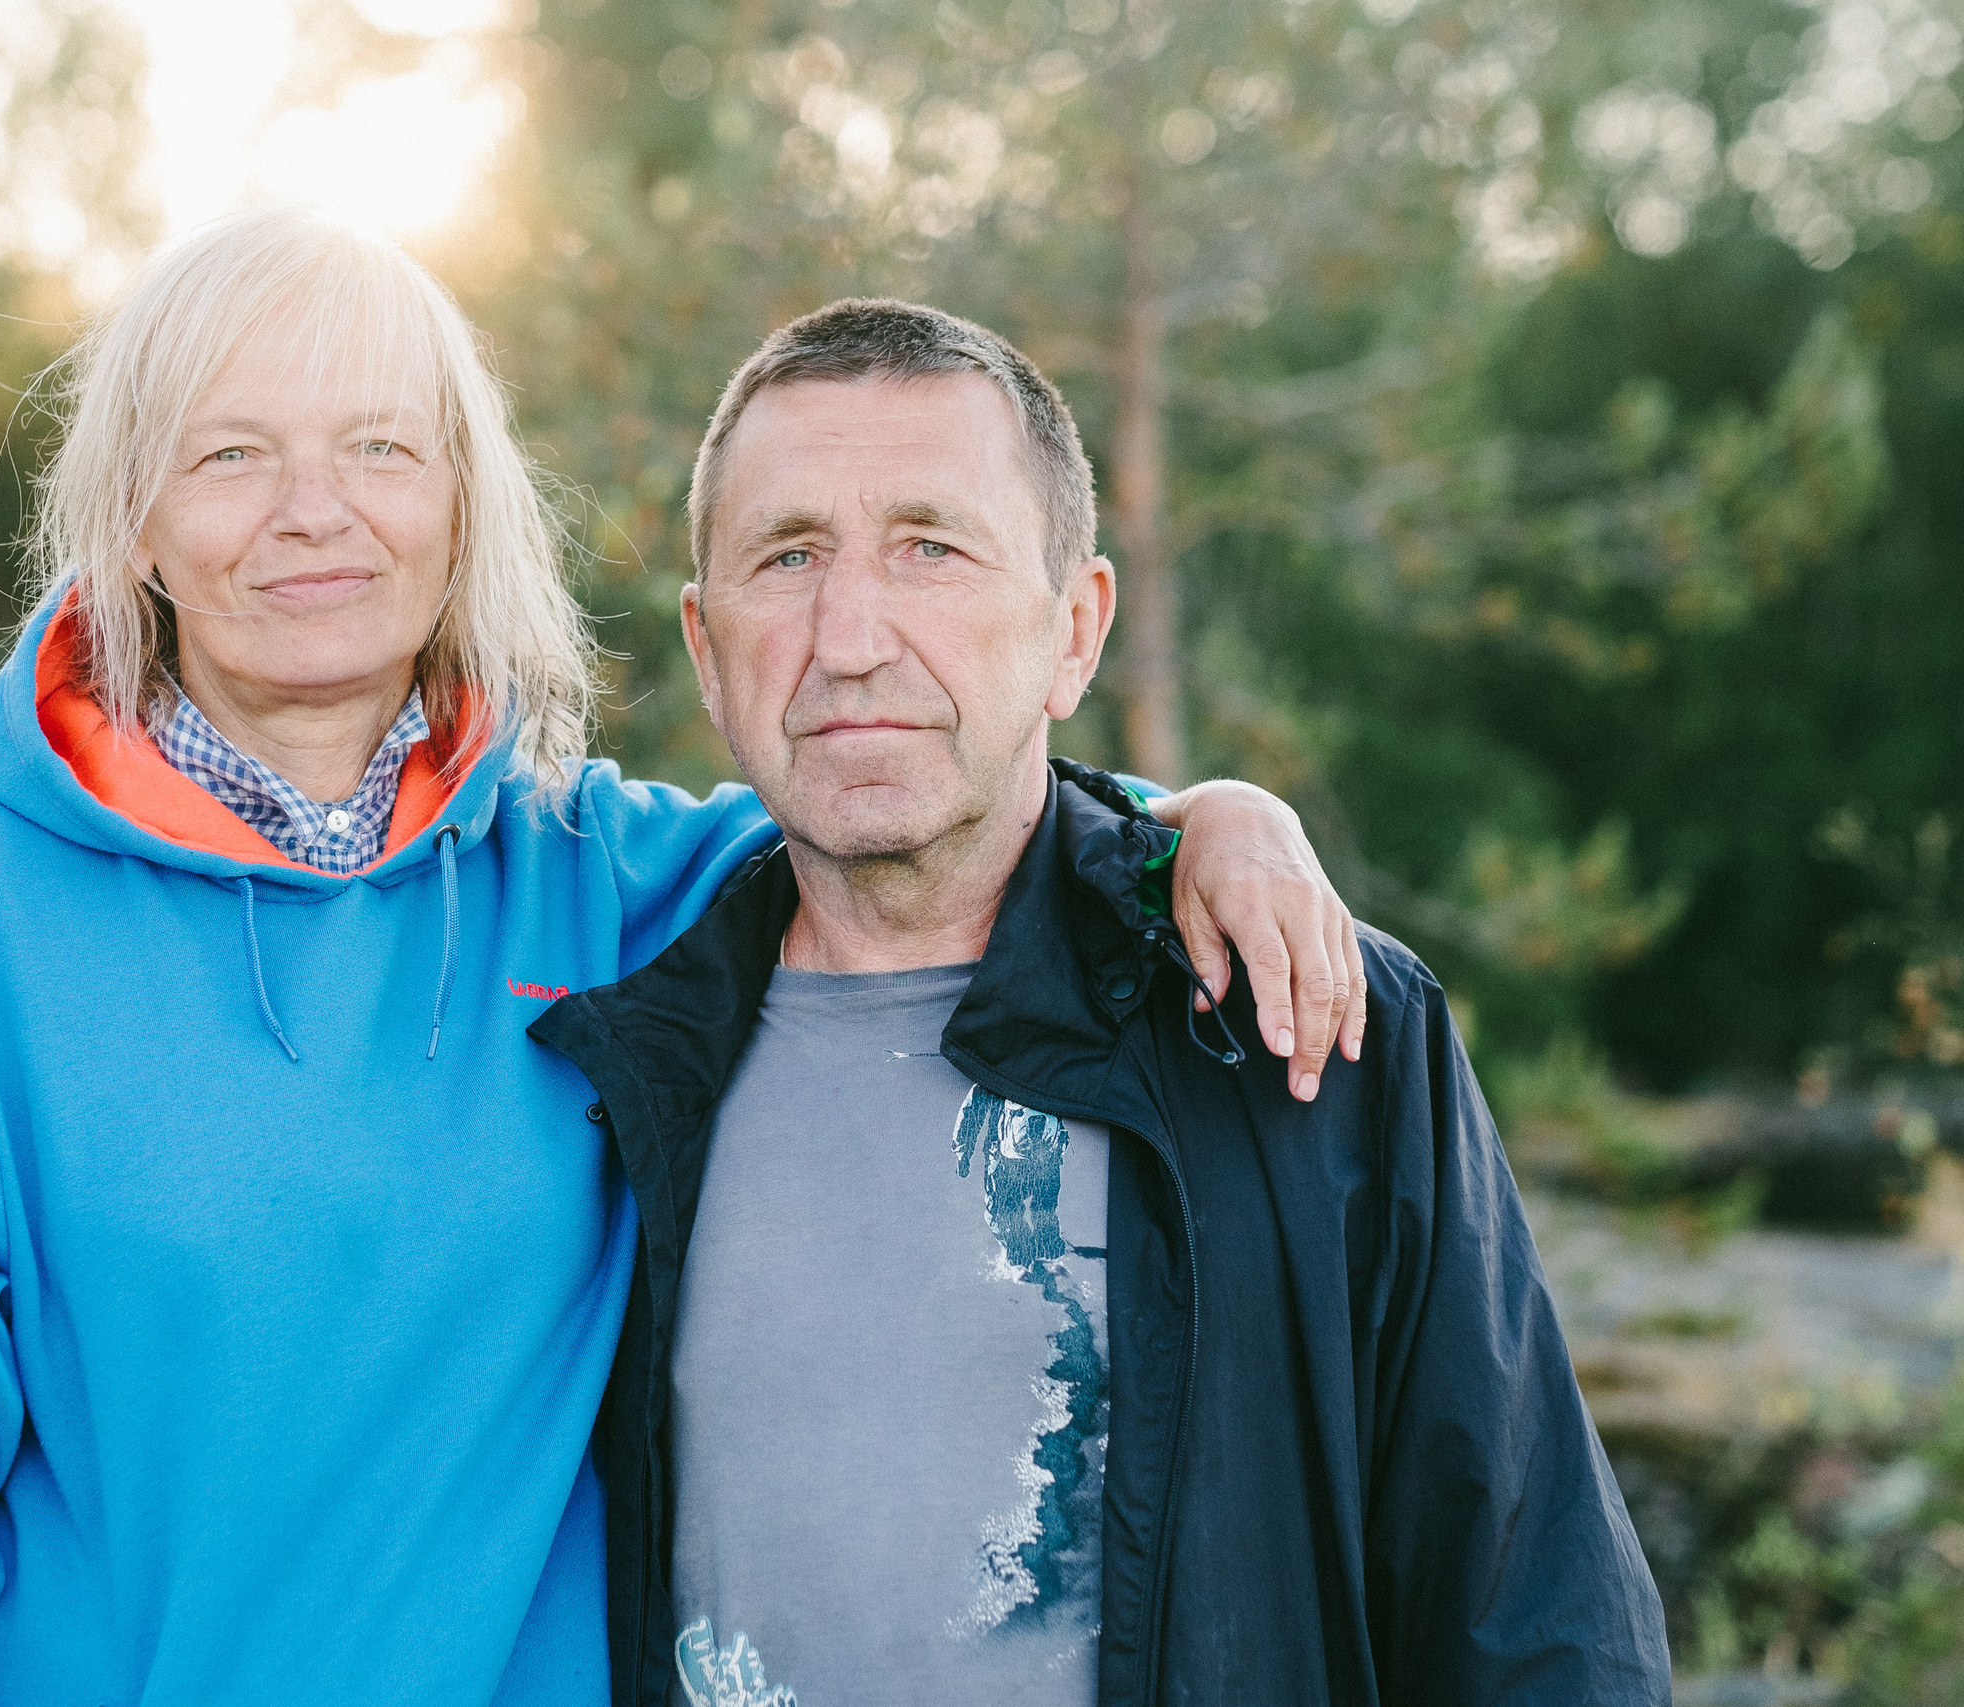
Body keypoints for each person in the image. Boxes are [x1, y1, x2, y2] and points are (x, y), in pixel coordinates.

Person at [0, 209, 1361, 1705]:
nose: (314, 515)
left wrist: (1200, 820)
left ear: (459, 510)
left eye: (379, 447)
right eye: (229, 457)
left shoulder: (595, 881)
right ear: (132, 522)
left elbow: (920, 805)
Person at [532, 298, 1672, 1707]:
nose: (850, 635)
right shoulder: (614, 1063)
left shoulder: (1295, 1017)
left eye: (931, 549)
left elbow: (1534, 1617)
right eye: (790, 556)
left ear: (1074, 630)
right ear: (707, 651)